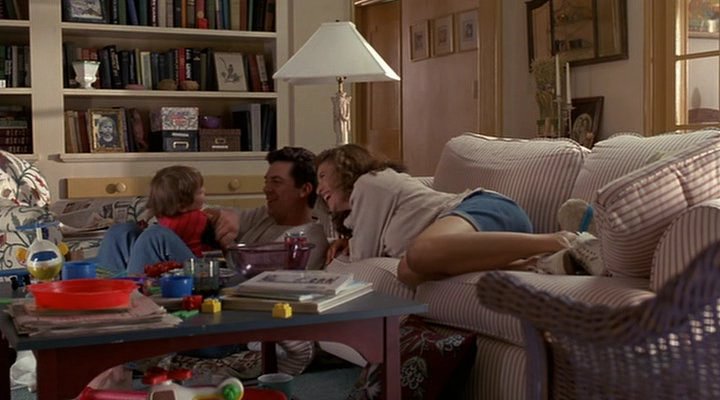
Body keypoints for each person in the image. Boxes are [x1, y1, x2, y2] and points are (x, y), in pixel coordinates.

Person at [316, 144, 576, 287]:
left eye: (323, 176)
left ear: (346, 168)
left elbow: (363, 258)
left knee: (420, 252)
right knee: (408, 271)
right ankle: (537, 262)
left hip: (486, 208)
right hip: (486, 238)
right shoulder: (365, 208)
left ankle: (561, 240)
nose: (319, 189)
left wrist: (350, 247)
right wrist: (347, 242)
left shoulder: (369, 183)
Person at [96, 146, 329, 275]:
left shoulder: (307, 238)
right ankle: (101, 305)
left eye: (276, 182)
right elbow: (211, 211)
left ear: (304, 190)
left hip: (226, 292)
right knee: (123, 232)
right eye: (266, 181)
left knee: (157, 236)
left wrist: (226, 244)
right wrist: (220, 216)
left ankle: (131, 304)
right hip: (211, 275)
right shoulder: (266, 214)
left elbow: (256, 280)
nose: (266, 189)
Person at [147, 165, 217, 257]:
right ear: (182, 206)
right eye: (199, 192)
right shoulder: (197, 218)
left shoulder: (161, 219)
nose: (204, 190)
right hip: (192, 261)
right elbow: (215, 241)